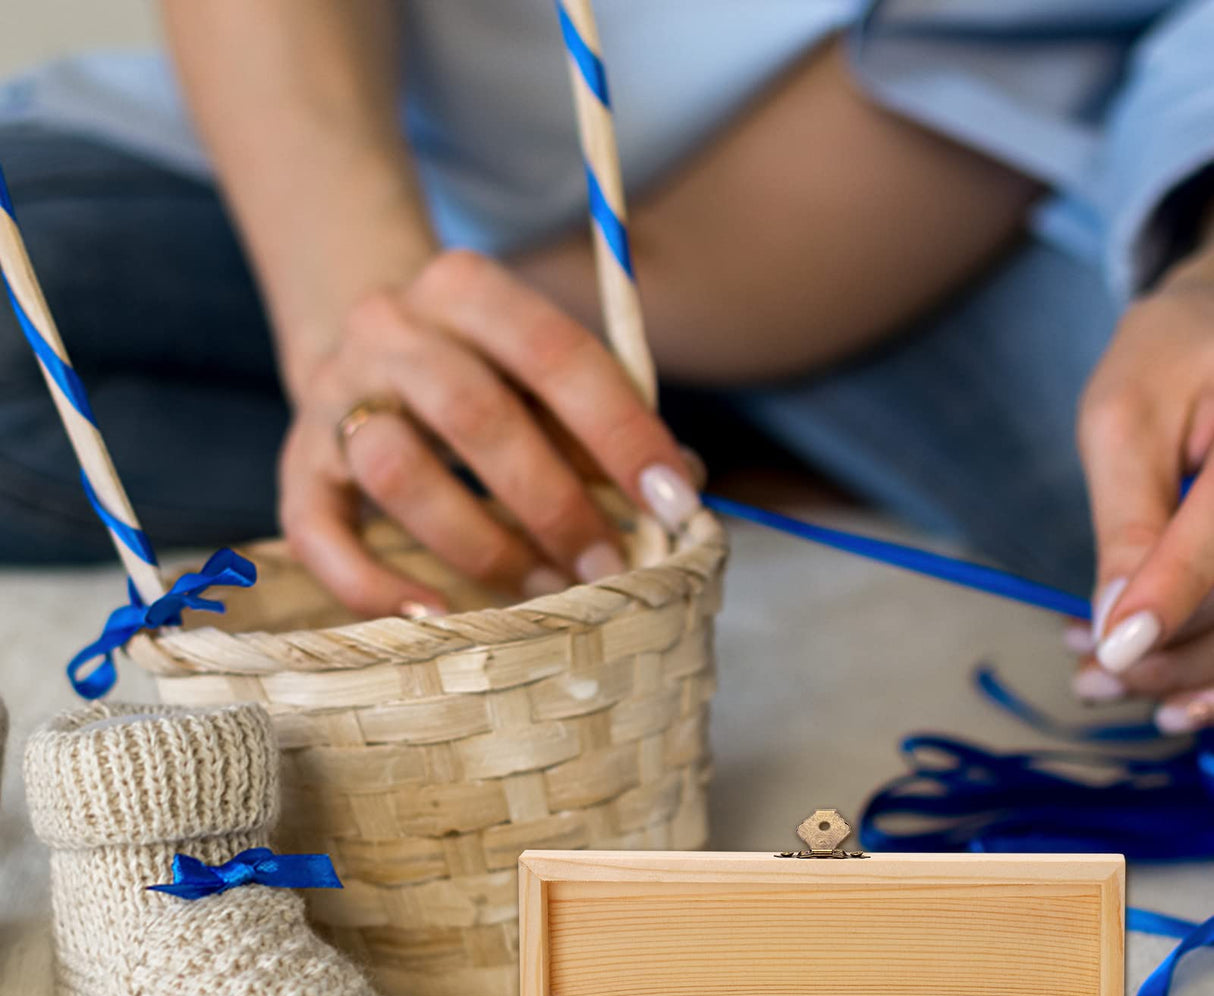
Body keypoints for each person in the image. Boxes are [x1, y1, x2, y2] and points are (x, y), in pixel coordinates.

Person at [2, 1, 1214, 736]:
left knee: (1169, 536)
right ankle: (639, 439)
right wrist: (353, 311)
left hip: (1023, 208)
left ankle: (649, 437)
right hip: (419, 159)